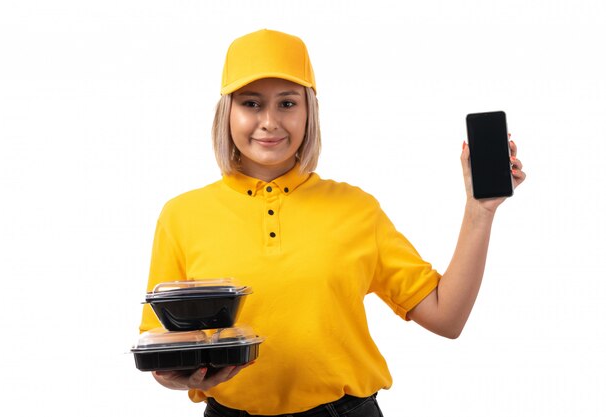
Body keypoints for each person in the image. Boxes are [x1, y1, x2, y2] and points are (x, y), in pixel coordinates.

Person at [139, 29, 526, 417]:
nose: (270, 121)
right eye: (251, 103)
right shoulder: (181, 216)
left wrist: (480, 210)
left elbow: (447, 317)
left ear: (309, 111)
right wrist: (180, 379)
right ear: (228, 112)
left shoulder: (356, 209)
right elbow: (160, 350)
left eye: (287, 103)